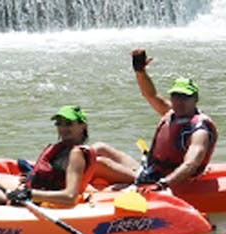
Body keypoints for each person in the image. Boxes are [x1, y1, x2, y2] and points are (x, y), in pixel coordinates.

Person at [93, 49, 217, 192]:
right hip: (150, 170)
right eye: (176, 96)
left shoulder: (199, 131)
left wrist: (161, 184)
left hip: (164, 180)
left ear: (195, 99)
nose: (179, 101)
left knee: (99, 164)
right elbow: (150, 95)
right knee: (98, 148)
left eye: (185, 97)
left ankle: (71, 191)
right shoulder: (171, 113)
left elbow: (190, 164)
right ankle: (67, 177)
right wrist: (140, 71)